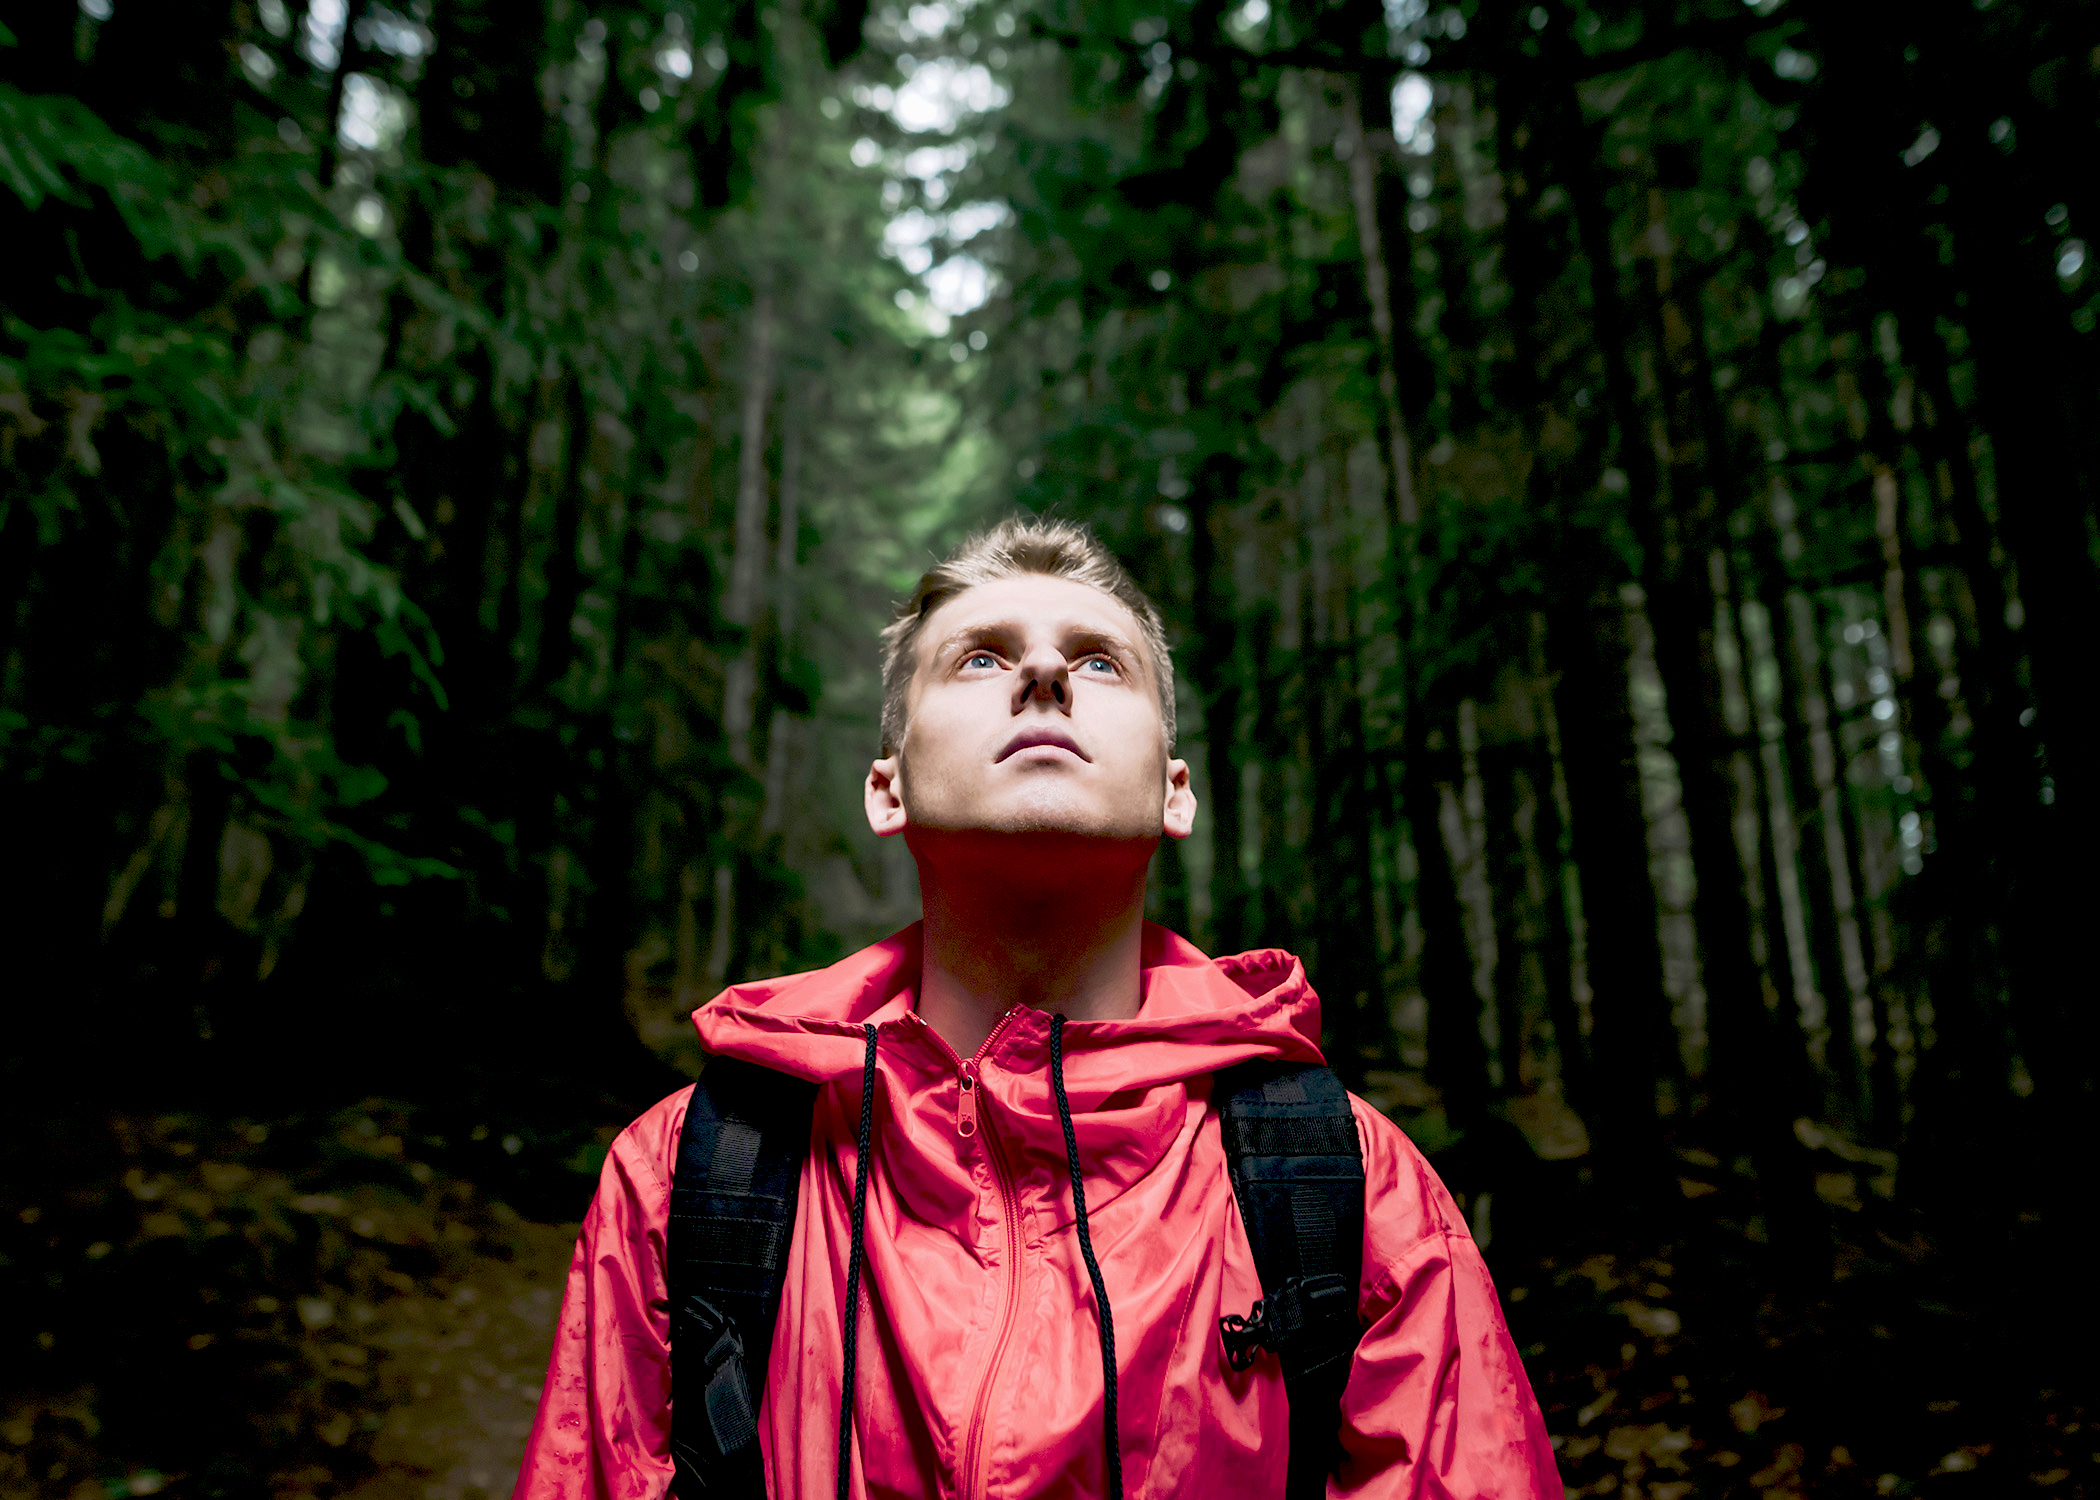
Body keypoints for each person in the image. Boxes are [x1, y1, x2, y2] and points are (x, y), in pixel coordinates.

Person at [513, 518, 1559, 1499]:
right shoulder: (688, 1176)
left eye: (1101, 662)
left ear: (1174, 791)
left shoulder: (1353, 1190)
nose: (1047, 675)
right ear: (889, 788)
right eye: (979, 657)